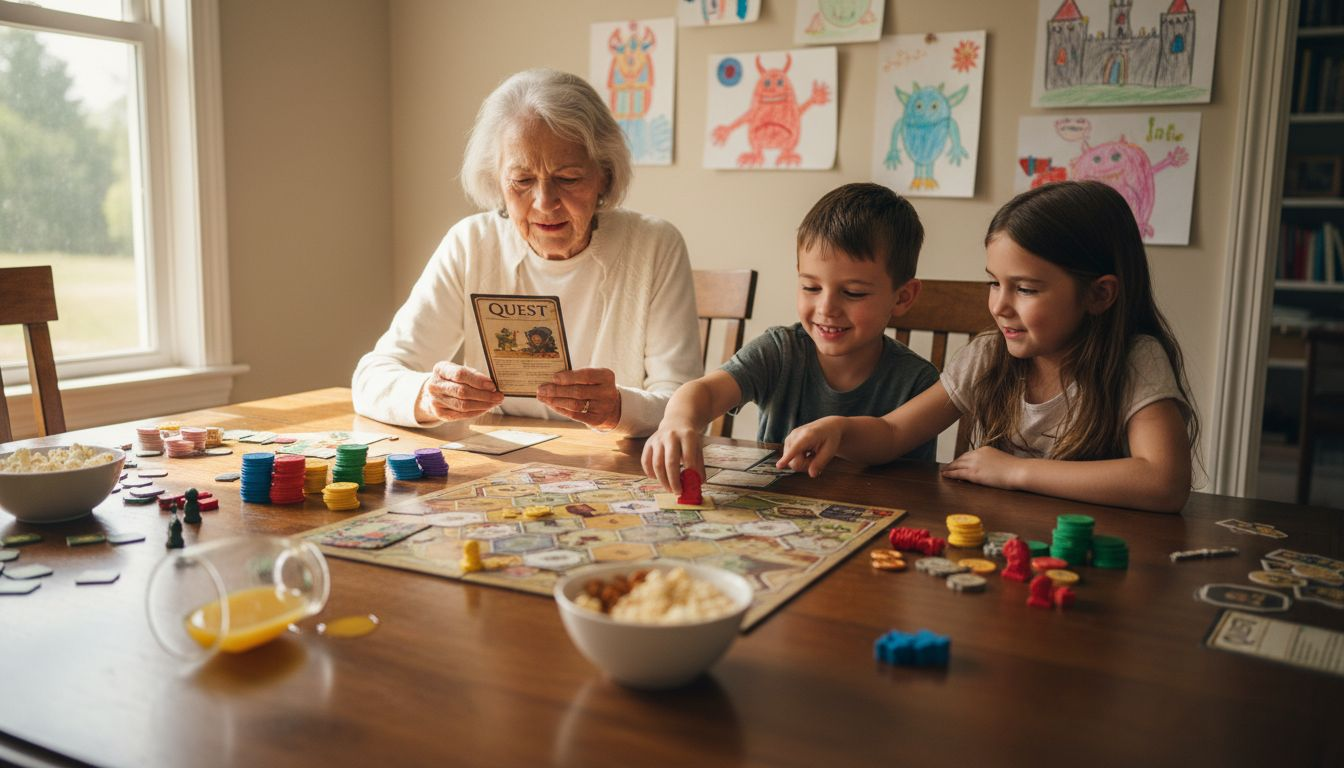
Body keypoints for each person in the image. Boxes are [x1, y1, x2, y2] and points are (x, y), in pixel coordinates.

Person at [776, 181, 1200, 513]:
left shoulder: (1135, 359)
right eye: (994, 283)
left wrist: (1015, 470)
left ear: (1099, 295)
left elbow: (1163, 481)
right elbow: (893, 433)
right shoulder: (988, 355)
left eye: (1026, 289)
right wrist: (839, 428)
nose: (999, 305)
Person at [352, 69, 701, 436]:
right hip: (499, 464)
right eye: (521, 180)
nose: (544, 202)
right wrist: (430, 396)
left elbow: (684, 403)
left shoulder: (654, 245)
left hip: (615, 462)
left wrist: (619, 408)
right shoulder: (471, 243)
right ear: (496, 180)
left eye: (568, 179)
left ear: (606, 176)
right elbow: (372, 377)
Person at [643, 183, 939, 491]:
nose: (826, 308)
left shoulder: (918, 382)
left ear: (903, 297)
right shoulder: (779, 351)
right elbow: (705, 391)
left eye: (853, 293)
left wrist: (840, 430)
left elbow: (894, 447)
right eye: (811, 287)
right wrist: (677, 420)